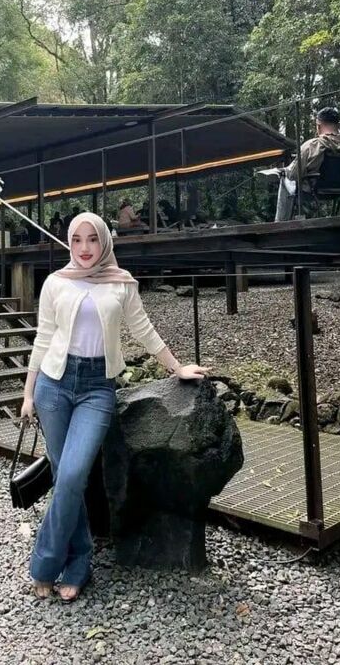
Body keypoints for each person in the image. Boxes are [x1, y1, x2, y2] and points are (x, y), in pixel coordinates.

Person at [20, 213, 209, 602]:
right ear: (69, 243)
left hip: (96, 388)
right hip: (53, 386)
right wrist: (28, 393)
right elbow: (43, 338)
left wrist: (177, 367)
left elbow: (143, 330)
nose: (84, 248)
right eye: (76, 240)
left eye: (92, 239)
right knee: (64, 477)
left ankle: (44, 563)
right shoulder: (56, 282)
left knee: (73, 474)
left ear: (105, 241)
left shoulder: (121, 283)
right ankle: (79, 562)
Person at [273, 106, 340, 221]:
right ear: (338, 124)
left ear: (318, 125)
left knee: (284, 177)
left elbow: (293, 174)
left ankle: (280, 222)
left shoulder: (313, 145)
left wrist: (285, 171)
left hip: (314, 190)